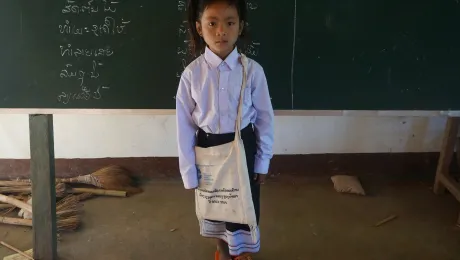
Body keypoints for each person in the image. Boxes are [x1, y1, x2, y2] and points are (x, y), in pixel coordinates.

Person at [175, 0, 274, 259]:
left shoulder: (252, 71)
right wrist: (188, 172)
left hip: (243, 145)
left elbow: (265, 118)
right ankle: (222, 252)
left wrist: (262, 162)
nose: (221, 31)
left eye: (230, 22)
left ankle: (241, 254)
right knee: (215, 207)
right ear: (199, 28)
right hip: (207, 147)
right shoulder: (191, 74)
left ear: (240, 26)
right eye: (212, 23)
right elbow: (184, 127)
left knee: (243, 204)